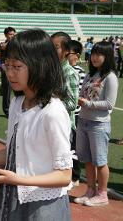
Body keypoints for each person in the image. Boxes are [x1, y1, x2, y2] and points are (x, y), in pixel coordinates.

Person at [0, 29, 72, 220]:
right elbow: (15, 150)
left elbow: (64, 175)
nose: (10, 73)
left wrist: (19, 179)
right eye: (7, 65)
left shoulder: (52, 111)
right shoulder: (17, 103)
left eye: (17, 66)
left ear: (39, 65)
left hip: (41, 206)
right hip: (11, 197)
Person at [74, 42, 118, 207]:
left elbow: (109, 104)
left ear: (107, 57)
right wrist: (80, 99)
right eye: (93, 53)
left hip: (98, 124)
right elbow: (82, 93)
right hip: (83, 120)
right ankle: (90, 190)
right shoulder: (90, 74)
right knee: (87, 160)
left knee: (100, 161)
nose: (94, 57)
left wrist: (88, 104)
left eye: (99, 54)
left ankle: (102, 193)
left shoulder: (111, 77)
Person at [51, 32, 79, 184]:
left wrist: (52, 102)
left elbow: (72, 104)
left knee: (59, 168)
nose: (52, 51)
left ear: (67, 50)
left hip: (64, 126)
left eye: (56, 47)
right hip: (49, 123)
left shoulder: (69, 73)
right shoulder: (52, 69)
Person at [66, 40, 86, 186]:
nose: (67, 55)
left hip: (76, 115)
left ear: (77, 55)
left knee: (73, 146)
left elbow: (77, 94)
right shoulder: (63, 69)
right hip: (66, 113)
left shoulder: (79, 72)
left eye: (70, 53)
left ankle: (75, 176)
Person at [0, 27, 16, 117]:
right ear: (5, 35)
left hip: (16, 70)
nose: (12, 36)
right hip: (6, 70)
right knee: (7, 91)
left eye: (14, 34)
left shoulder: (16, 44)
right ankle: (7, 111)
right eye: (10, 34)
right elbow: (4, 46)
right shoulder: (3, 44)